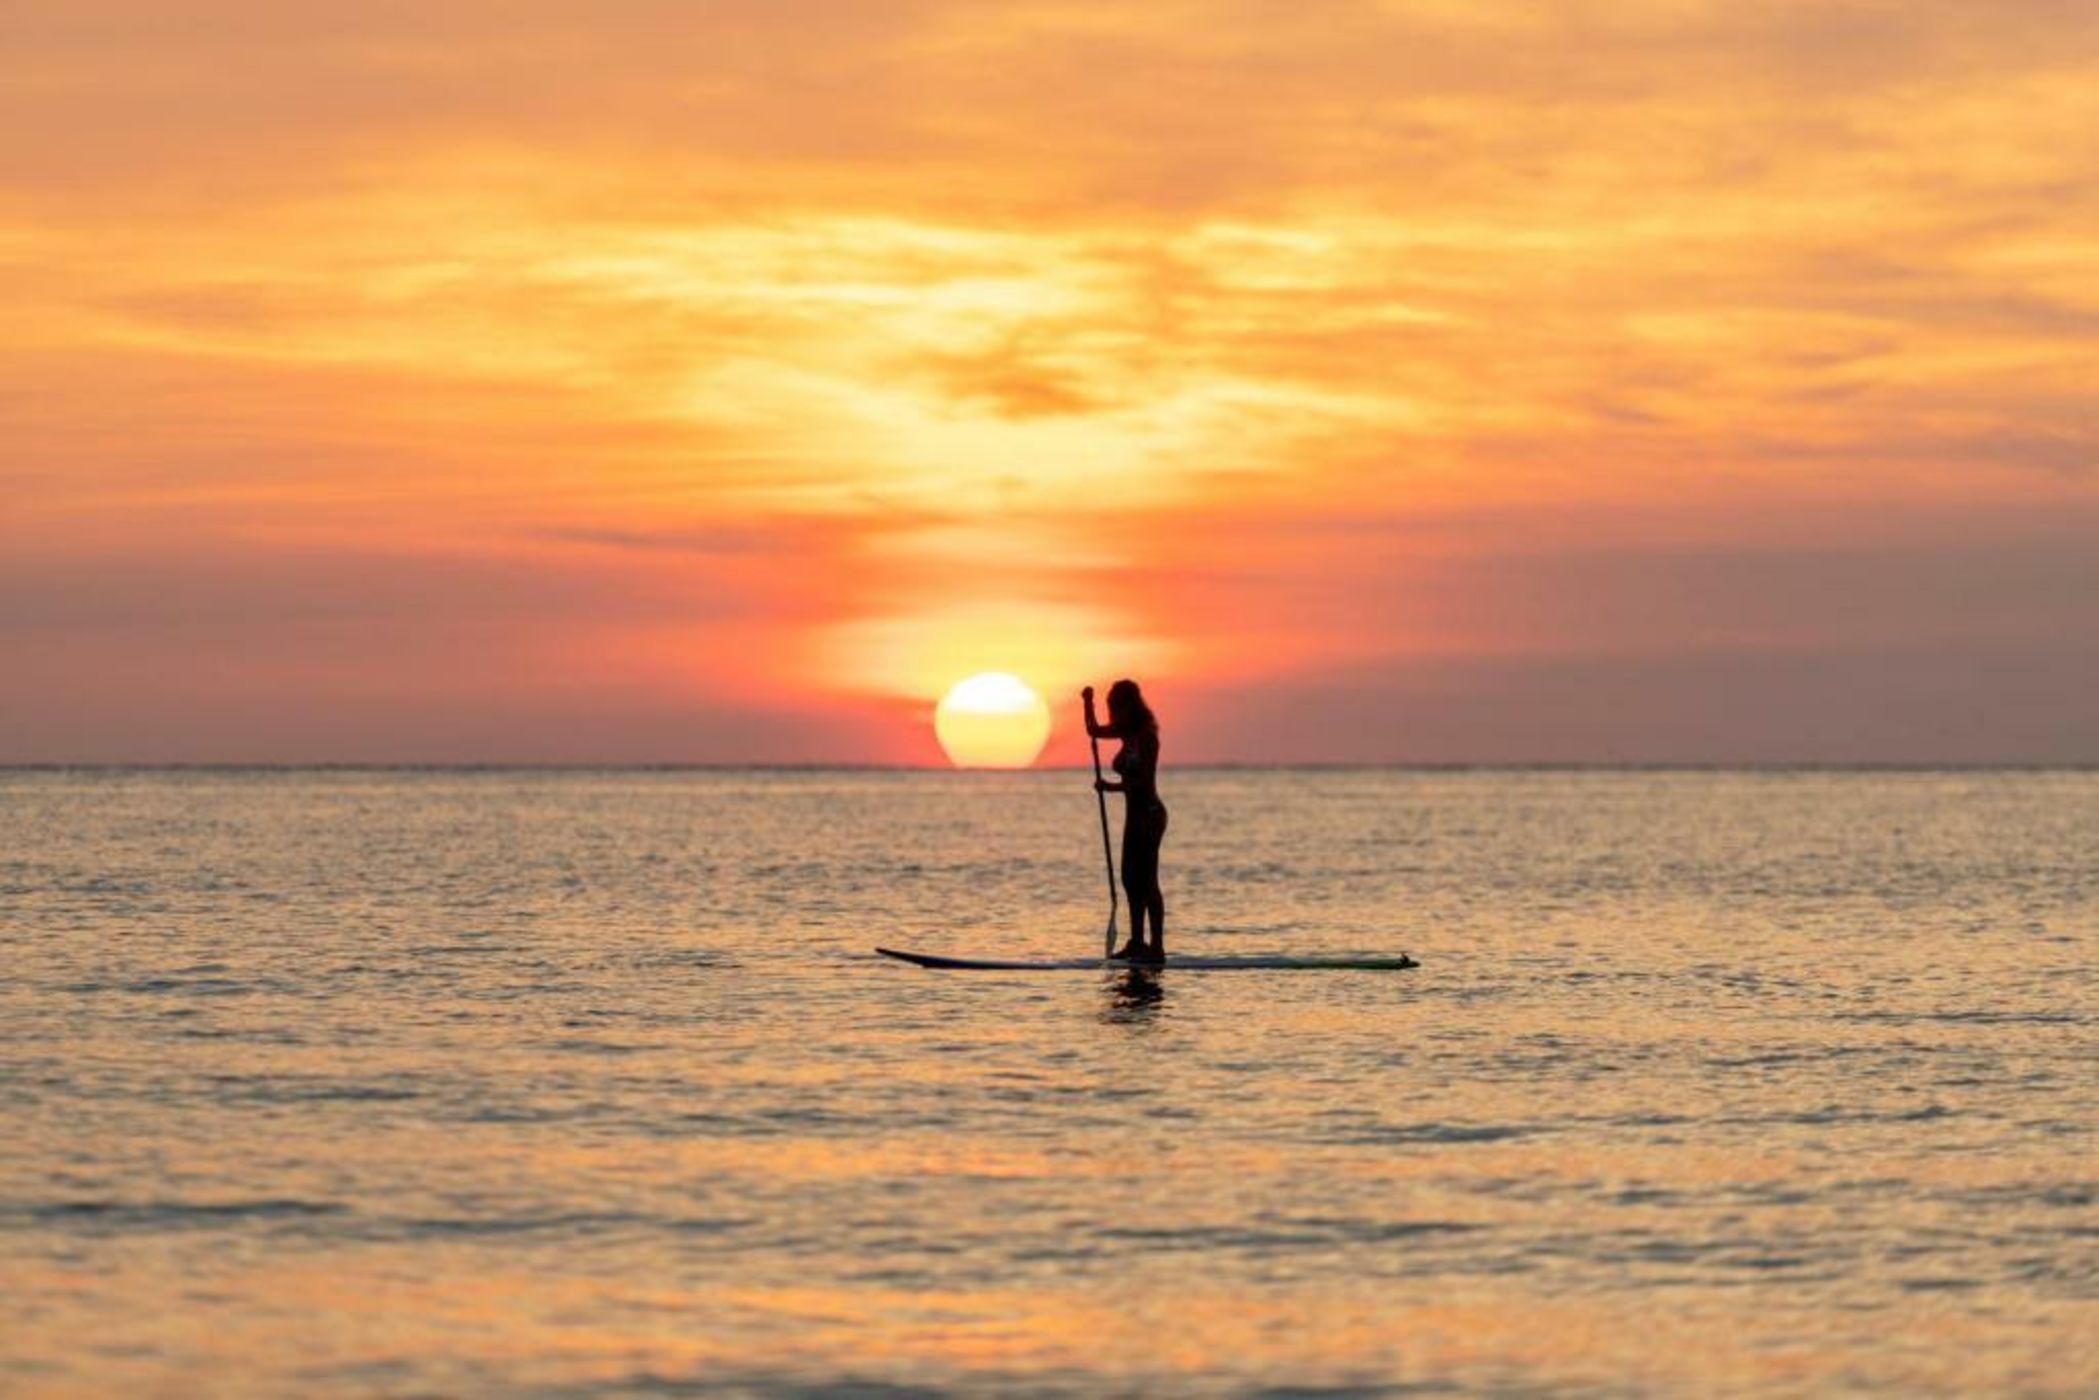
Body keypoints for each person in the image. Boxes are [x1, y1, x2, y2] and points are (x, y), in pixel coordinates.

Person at [1084, 679, 1168, 964]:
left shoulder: (1147, 736)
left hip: (1151, 815)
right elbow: (1093, 731)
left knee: (1147, 881)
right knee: (1130, 880)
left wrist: (1110, 787)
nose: (1114, 715)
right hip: (1134, 818)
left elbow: (1143, 782)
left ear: (1131, 706)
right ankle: (1136, 942)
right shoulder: (1126, 732)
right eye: (1112, 709)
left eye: (1118, 708)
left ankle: (1156, 947)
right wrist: (1087, 703)